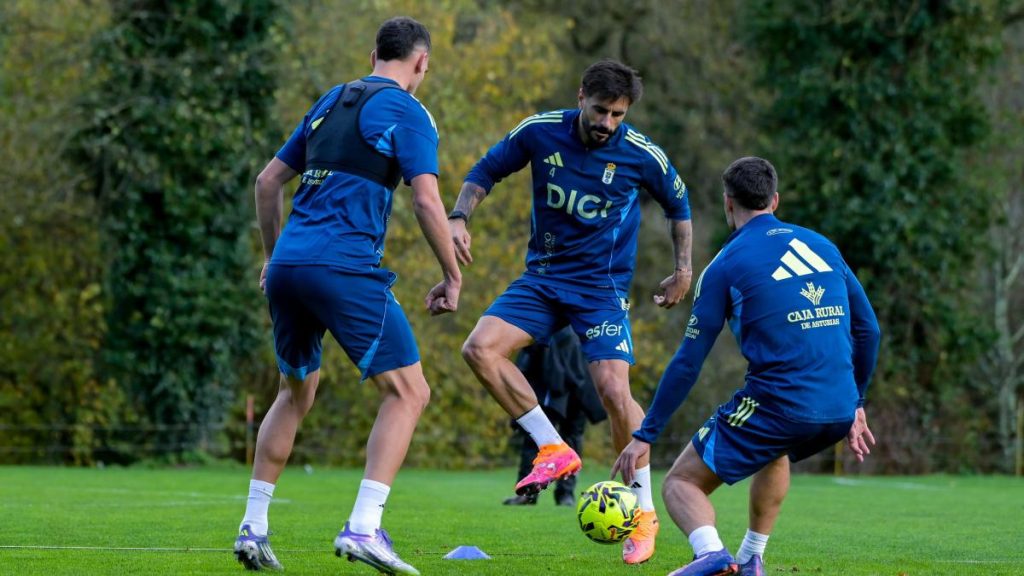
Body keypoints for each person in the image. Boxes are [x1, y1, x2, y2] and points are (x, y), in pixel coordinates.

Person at [233, 16, 460, 575]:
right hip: (343, 265)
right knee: (409, 392)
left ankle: (253, 528)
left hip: (288, 265)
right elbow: (427, 202)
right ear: (422, 62)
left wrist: (271, 257)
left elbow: (267, 182)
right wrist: (452, 274)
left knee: (295, 393)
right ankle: (363, 527)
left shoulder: (330, 101)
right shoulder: (409, 112)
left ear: (374, 52)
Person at [450, 59, 694, 564]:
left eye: (618, 114)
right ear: (581, 95)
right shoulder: (540, 132)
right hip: (542, 279)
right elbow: (485, 171)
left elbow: (679, 206)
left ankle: (644, 515)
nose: (607, 123)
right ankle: (552, 447)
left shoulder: (640, 154)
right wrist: (459, 217)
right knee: (479, 349)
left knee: (612, 390)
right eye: (601, 110)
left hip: (600, 289)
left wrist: (683, 270)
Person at [612, 156, 881, 576]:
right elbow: (870, 331)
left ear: (727, 203)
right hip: (839, 406)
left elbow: (689, 361)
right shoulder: (823, 246)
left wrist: (645, 434)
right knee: (773, 448)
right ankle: (752, 558)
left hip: (780, 404)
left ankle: (710, 554)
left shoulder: (724, 265)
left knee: (680, 483)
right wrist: (857, 402)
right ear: (775, 200)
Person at [502, 327, 607, 507]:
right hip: (548, 389)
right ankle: (527, 494)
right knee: (536, 441)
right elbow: (524, 365)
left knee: (572, 440)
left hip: (578, 390)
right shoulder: (544, 326)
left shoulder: (586, 326)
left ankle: (566, 494)